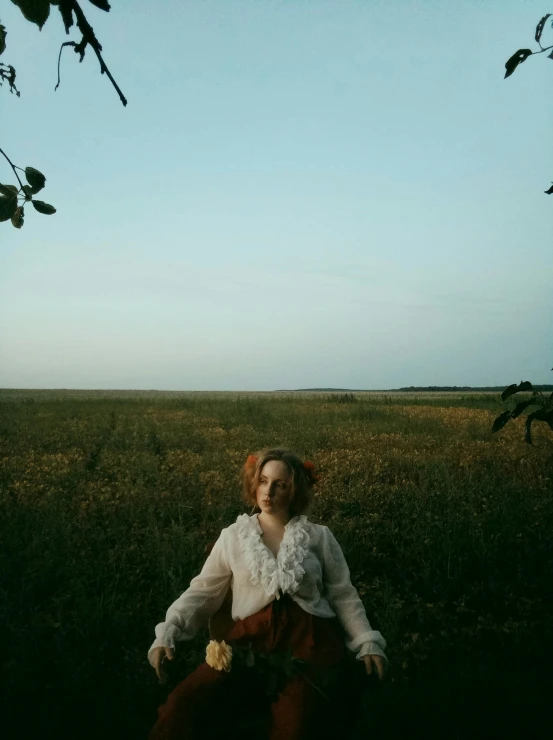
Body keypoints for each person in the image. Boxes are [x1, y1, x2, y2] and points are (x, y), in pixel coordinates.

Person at [148, 447, 388, 740]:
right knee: (182, 705)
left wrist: (366, 641)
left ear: (295, 490)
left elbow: (343, 595)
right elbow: (202, 592)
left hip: (307, 644)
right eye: (263, 481)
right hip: (248, 642)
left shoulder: (319, 536)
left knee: (296, 725)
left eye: (280, 484)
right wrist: (169, 631)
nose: (268, 491)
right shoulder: (234, 536)